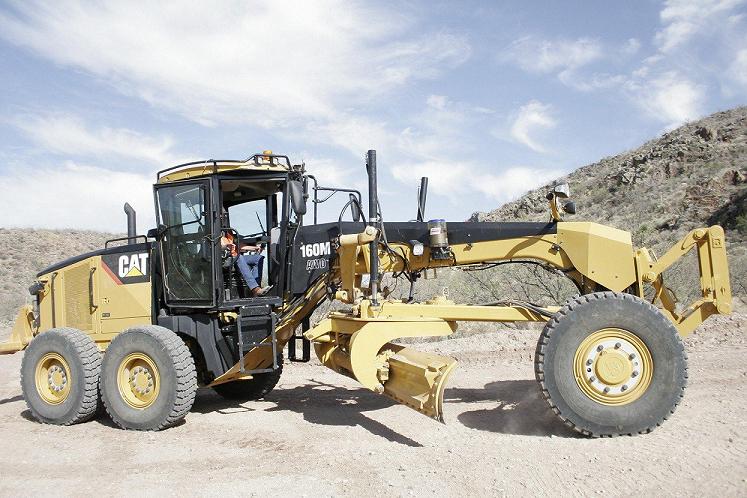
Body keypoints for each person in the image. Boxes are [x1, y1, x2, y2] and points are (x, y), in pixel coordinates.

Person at [221, 228, 269, 297]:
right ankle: (255, 289)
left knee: (258, 258)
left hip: (234, 256)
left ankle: (256, 289)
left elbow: (238, 246)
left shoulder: (228, 232)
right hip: (223, 259)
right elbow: (218, 246)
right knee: (239, 257)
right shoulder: (215, 231)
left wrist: (256, 248)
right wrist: (226, 246)